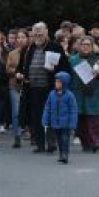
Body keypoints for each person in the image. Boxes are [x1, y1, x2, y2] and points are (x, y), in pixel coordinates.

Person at [18, 22, 67, 153]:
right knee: (36, 116)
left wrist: (54, 71)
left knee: (50, 115)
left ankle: (51, 143)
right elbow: (26, 66)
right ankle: (40, 144)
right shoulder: (31, 48)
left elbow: (64, 67)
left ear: (46, 33)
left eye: (41, 33)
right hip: (33, 87)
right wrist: (24, 75)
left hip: (49, 87)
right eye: (36, 34)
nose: (38, 36)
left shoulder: (55, 47)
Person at [68, 36, 99, 152]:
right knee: (81, 121)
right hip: (78, 94)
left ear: (92, 46)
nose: (86, 47)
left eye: (88, 44)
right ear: (80, 46)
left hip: (95, 94)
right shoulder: (73, 60)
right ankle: (86, 143)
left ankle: (95, 143)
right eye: (84, 44)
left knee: (94, 121)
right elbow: (68, 75)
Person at [41, 71, 78, 164]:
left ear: (64, 83)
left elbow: (73, 110)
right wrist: (45, 119)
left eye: (59, 82)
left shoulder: (70, 95)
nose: (56, 83)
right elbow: (47, 107)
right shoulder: (51, 94)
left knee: (65, 139)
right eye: (56, 81)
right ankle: (61, 154)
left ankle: (65, 154)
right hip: (55, 122)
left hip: (66, 123)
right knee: (59, 140)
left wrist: (72, 124)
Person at [4, 29, 29, 148]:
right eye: (18, 37)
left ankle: (31, 132)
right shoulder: (12, 53)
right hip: (15, 85)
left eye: (23, 37)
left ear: (27, 38)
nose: (20, 40)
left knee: (30, 110)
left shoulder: (31, 52)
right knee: (16, 111)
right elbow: (7, 69)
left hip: (29, 85)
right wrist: (15, 72)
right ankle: (17, 135)